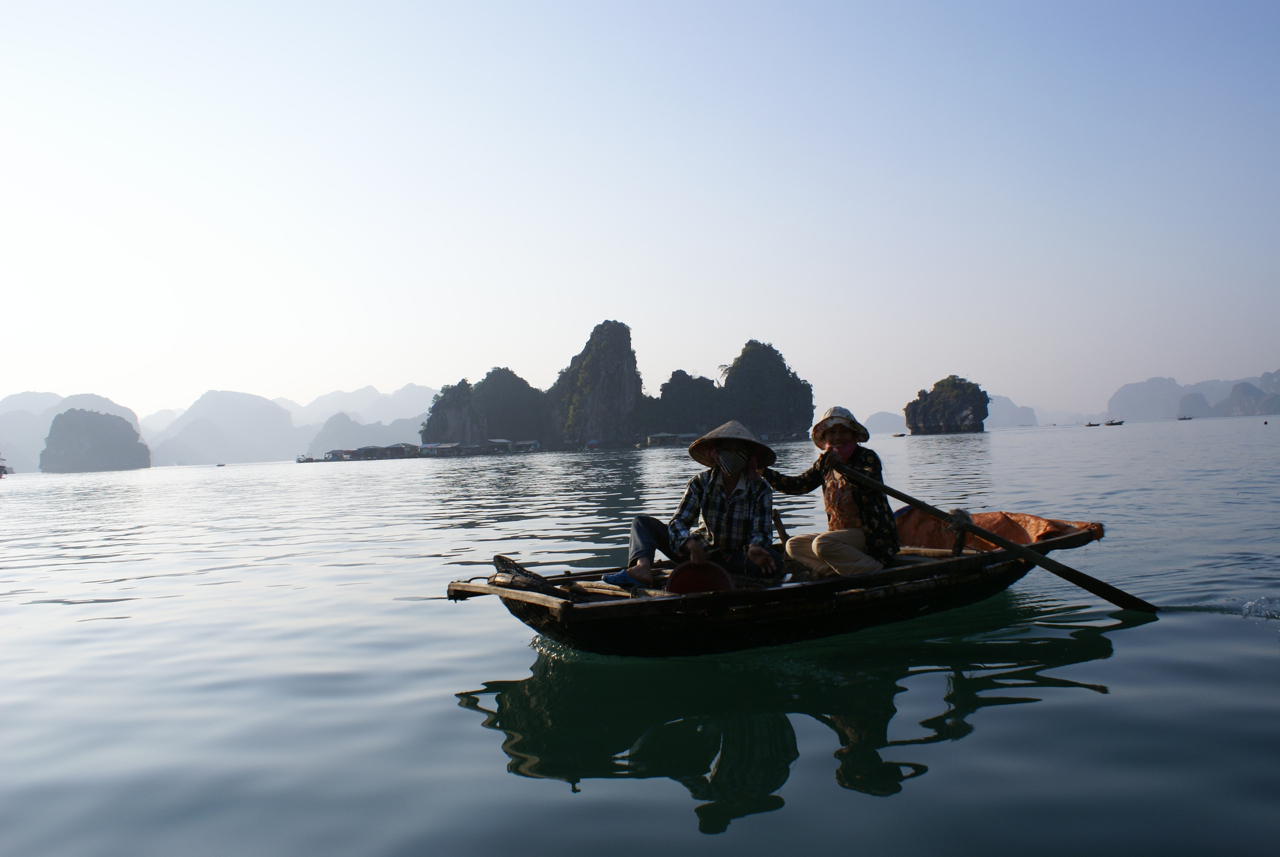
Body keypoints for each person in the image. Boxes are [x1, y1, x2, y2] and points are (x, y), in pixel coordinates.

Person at [604, 421, 783, 588]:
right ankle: (642, 568)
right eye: (727, 449)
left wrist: (754, 547)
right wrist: (690, 544)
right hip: (698, 554)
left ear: (748, 456)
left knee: (774, 562)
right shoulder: (701, 483)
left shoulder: (760, 489)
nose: (733, 455)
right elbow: (678, 522)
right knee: (642, 523)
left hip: (736, 557)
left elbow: (761, 531)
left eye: (739, 450)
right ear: (716, 454)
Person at [763, 406, 899, 577]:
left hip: (870, 535)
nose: (838, 437)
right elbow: (798, 485)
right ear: (824, 437)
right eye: (832, 432)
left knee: (822, 544)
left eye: (844, 431)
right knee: (793, 545)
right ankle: (836, 573)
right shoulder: (824, 464)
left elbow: (868, 482)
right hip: (840, 537)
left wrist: (843, 468)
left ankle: (876, 572)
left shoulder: (867, 457)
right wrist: (764, 472)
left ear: (853, 434)